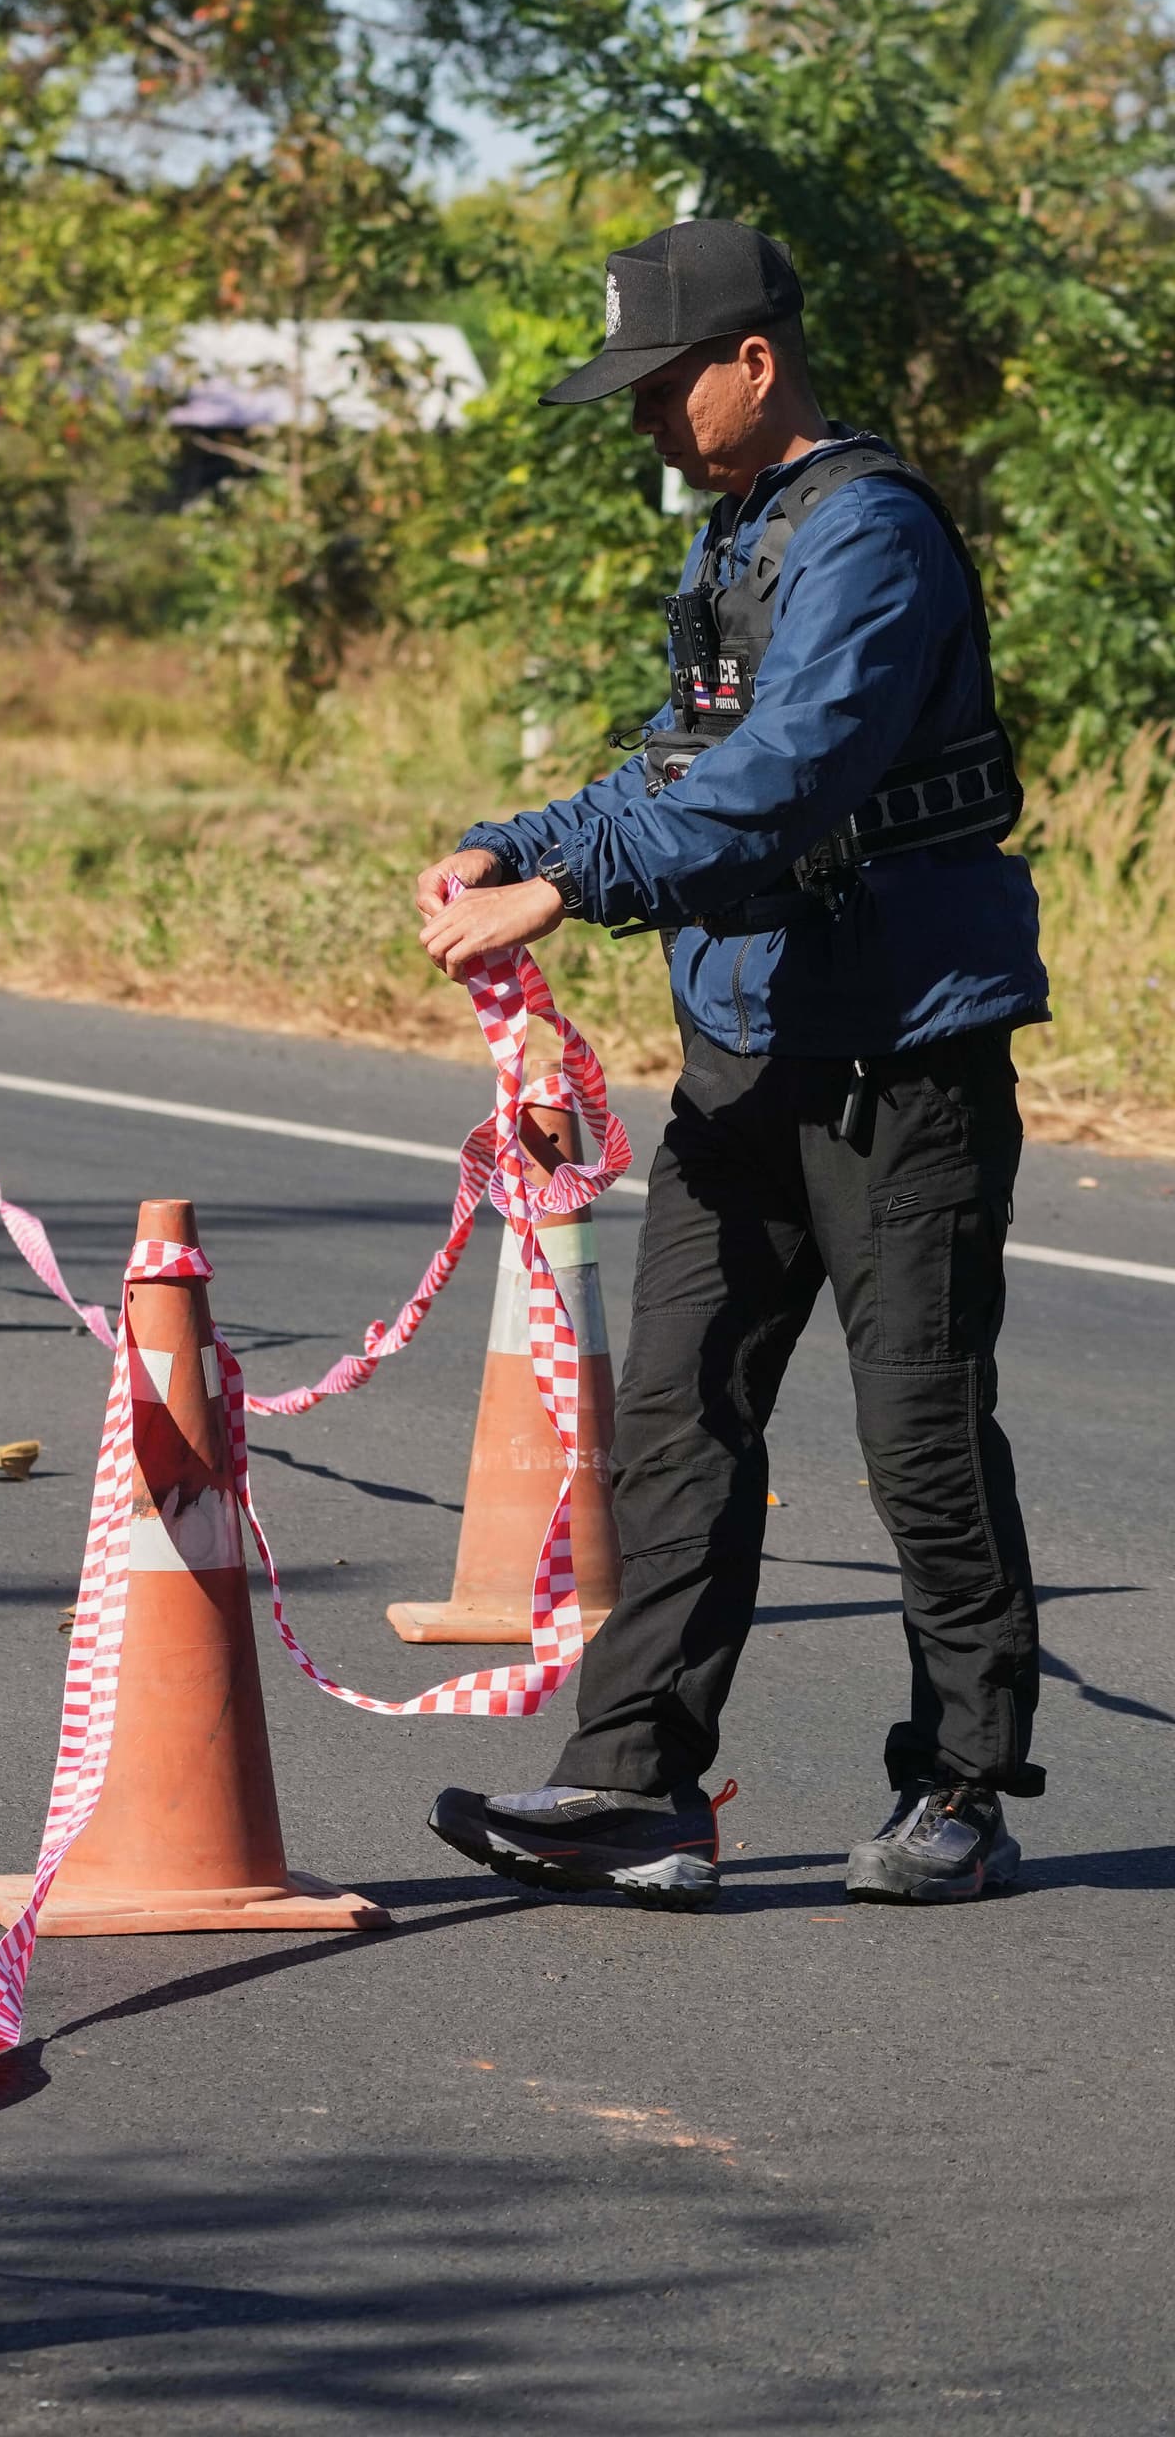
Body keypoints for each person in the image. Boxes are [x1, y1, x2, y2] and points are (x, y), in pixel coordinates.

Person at [414, 221, 1042, 1910]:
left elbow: (786, 777)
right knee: (680, 1417)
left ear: (755, 364)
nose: (644, 422)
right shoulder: (747, 534)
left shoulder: (875, 537)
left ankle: (965, 1785)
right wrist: (512, 842)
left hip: (901, 1063)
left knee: (919, 1438)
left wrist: (566, 887)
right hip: (746, 1046)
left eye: (661, 386)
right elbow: (676, 754)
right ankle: (637, 1790)